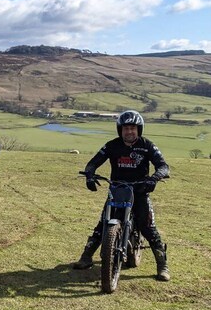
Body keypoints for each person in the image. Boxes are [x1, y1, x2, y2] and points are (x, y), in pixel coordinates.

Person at [72, 109, 171, 281]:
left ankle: (162, 265)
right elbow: (92, 163)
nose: (129, 131)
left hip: (140, 191)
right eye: (125, 128)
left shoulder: (147, 145)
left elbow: (163, 166)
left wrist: (154, 178)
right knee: (102, 224)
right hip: (117, 190)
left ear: (139, 129)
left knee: (148, 227)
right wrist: (90, 175)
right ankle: (86, 257)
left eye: (133, 128)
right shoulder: (112, 145)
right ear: (120, 130)